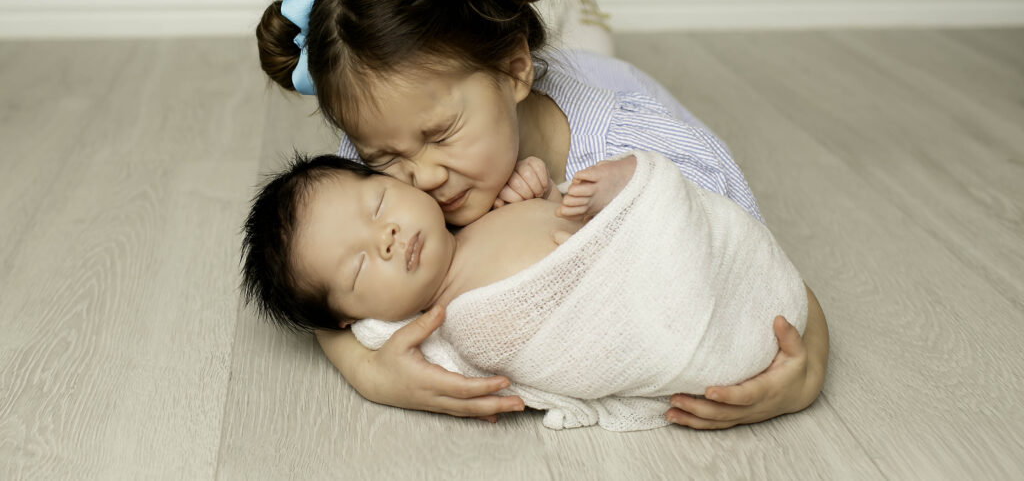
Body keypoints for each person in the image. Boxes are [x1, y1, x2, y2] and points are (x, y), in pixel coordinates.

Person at [254, 0, 829, 428]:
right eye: (384, 159)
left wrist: (807, 371)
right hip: (528, 87)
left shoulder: (650, 150)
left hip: (610, 82)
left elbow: (751, 260)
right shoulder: (379, 170)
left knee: (592, 54)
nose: (420, 176)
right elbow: (316, 273)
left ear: (513, 71)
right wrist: (368, 370)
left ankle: (584, 19)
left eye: (439, 135)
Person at [241, 150, 810, 430]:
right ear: (355, 320)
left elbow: (571, 205)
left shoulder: (482, 210)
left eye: (379, 205)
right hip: (633, 312)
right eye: (359, 268)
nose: (387, 238)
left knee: (646, 180)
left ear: (398, 180)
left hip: (661, 255)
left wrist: (553, 191)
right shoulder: (447, 324)